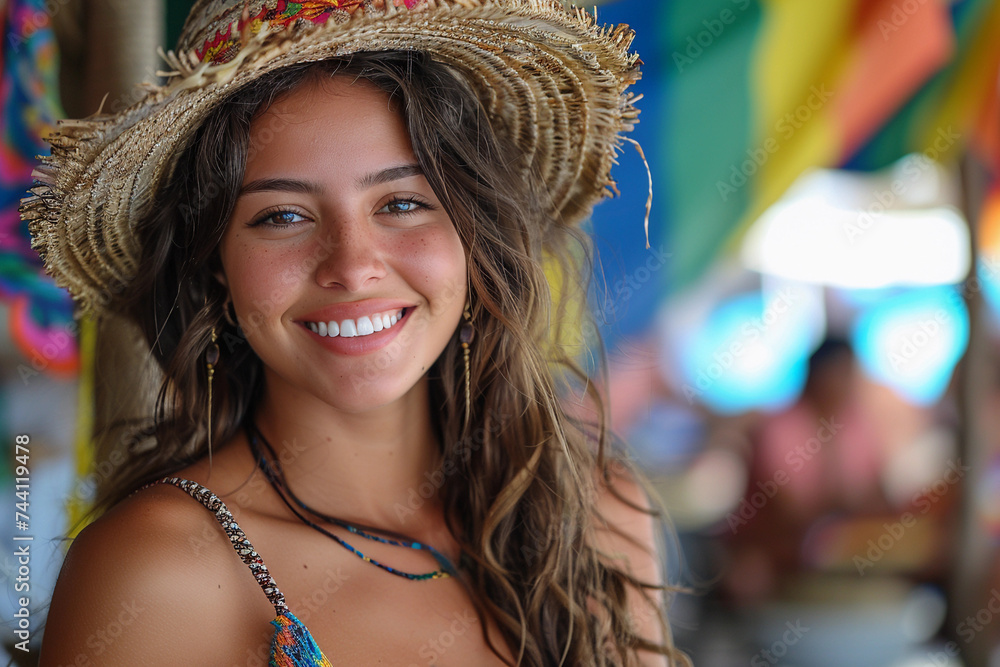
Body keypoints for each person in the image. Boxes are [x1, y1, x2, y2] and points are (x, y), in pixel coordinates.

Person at [22, 1, 687, 664]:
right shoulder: (157, 571)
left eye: (401, 203)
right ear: (215, 268)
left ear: (473, 238)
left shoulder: (599, 519)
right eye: (282, 216)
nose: (351, 265)